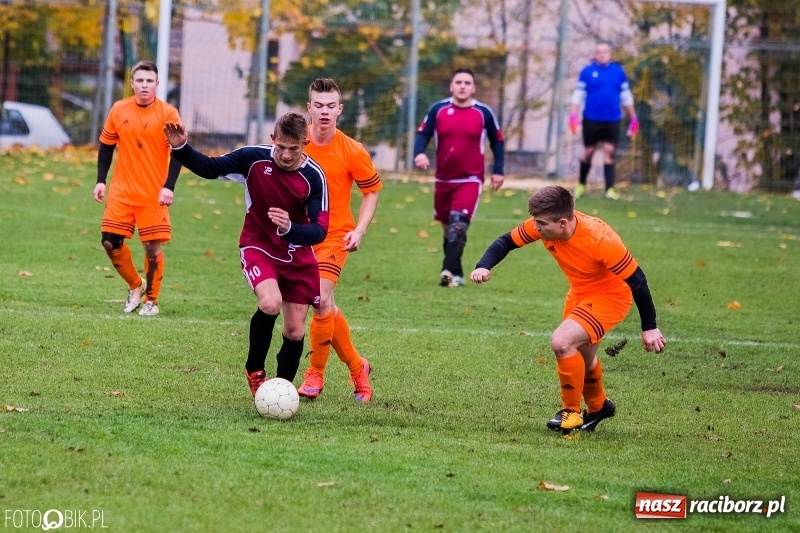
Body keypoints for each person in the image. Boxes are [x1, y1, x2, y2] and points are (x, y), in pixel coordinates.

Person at [470, 185, 666, 433]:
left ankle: (571, 412)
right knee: (582, 358)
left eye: (541, 223)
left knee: (562, 342)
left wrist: (649, 327)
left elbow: (638, 281)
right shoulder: (544, 225)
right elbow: (505, 242)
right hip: (579, 294)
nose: (535, 228)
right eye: (535, 221)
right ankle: (599, 407)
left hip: (610, 297)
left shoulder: (601, 239)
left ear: (562, 223)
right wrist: (483, 266)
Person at [163, 113, 329, 397]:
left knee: (295, 331)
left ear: (305, 143)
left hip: (296, 256)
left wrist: (289, 228)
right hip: (258, 245)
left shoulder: (314, 176)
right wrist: (181, 147)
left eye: (294, 149)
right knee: (270, 302)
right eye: (281, 147)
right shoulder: (253, 159)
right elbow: (209, 167)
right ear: (272, 139)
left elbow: (319, 230)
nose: (286, 155)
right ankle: (255, 370)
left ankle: (281, 392)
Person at [295, 78, 381, 402]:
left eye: (331, 106)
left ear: (340, 109)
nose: (324, 111)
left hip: (334, 236)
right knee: (326, 305)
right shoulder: (296, 143)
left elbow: (371, 192)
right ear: (309, 108)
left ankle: (314, 373)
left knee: (318, 299)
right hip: (298, 236)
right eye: (318, 105)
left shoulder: (352, 150)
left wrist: (359, 230)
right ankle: (358, 368)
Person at [94, 60, 183, 316]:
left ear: (157, 84)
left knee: (152, 250)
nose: (144, 85)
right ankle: (136, 285)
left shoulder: (168, 114)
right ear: (132, 83)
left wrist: (169, 186)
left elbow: (180, 152)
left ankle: (151, 300)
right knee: (109, 242)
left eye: (149, 81)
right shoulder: (119, 109)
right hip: (122, 192)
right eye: (140, 80)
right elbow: (106, 146)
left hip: (153, 195)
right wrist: (100, 180)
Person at [414, 67, 505, 287]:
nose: (462, 86)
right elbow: (423, 133)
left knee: (458, 224)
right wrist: (419, 153)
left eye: (467, 83)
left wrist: (498, 170)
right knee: (448, 228)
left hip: (470, 179)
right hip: (443, 179)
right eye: (458, 82)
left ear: (473, 88)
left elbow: (497, 141)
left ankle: (446, 271)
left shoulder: (483, 113)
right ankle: (458, 274)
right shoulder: (438, 110)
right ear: (451, 86)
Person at [569, 41, 639, 201]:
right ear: (595, 54)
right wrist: (573, 115)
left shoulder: (618, 72)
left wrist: (633, 117)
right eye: (599, 52)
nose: (602, 55)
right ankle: (581, 184)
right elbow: (578, 95)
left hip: (612, 118)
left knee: (609, 152)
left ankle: (609, 189)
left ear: (609, 54)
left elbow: (626, 96)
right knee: (588, 152)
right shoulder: (587, 72)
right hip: (591, 118)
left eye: (605, 52)